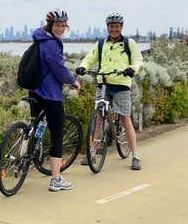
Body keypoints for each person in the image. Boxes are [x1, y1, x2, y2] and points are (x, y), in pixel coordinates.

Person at [75, 13, 144, 170]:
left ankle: (135, 156)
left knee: (125, 119)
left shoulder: (129, 43)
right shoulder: (101, 44)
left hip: (121, 84)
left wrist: (131, 69)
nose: (114, 29)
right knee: (99, 118)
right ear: (107, 27)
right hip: (103, 84)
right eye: (111, 26)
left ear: (121, 27)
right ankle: (92, 152)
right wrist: (83, 67)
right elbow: (89, 58)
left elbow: (139, 62)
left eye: (117, 26)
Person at [30, 10, 81, 192]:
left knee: (33, 128)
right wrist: (73, 81)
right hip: (50, 94)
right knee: (57, 136)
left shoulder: (40, 39)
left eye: (62, 25)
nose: (60, 28)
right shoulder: (51, 44)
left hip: (35, 90)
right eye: (57, 25)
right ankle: (55, 179)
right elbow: (58, 69)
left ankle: (21, 161)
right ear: (50, 25)